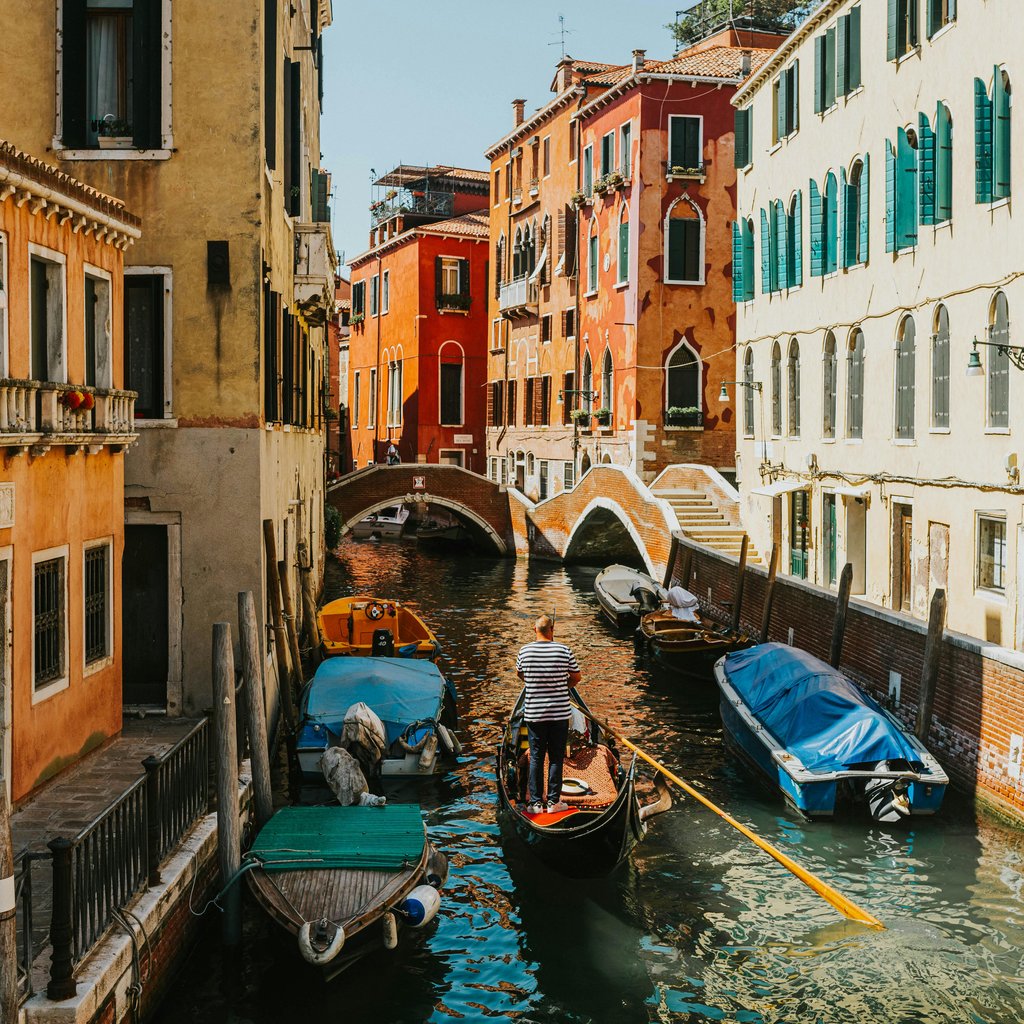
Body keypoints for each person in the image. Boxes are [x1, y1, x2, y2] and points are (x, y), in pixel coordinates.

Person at [515, 614, 581, 813]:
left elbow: (521, 675)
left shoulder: (524, 651)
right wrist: (561, 686)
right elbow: (576, 677)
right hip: (559, 713)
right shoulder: (564, 650)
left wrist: (537, 684)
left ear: (534, 630)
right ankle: (553, 803)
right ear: (552, 630)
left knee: (536, 757)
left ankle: (535, 803)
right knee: (555, 758)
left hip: (535, 713)